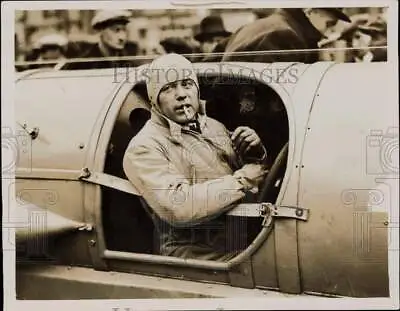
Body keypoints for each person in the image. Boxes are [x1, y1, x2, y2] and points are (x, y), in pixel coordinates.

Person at [123, 53, 268, 261]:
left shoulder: (214, 127)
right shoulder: (144, 147)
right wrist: (243, 180)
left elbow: (256, 178)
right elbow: (179, 208)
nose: (181, 94)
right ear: (154, 99)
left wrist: (254, 153)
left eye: (187, 84)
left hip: (240, 241)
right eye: (168, 88)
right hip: (193, 255)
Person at [222, 8, 351, 63]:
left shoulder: (251, 27)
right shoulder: (287, 37)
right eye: (329, 24)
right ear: (310, 11)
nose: (327, 35)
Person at [64, 10, 141, 70]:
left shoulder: (130, 65)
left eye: (124, 30)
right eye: (116, 30)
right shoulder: (83, 64)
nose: (122, 37)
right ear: (100, 31)